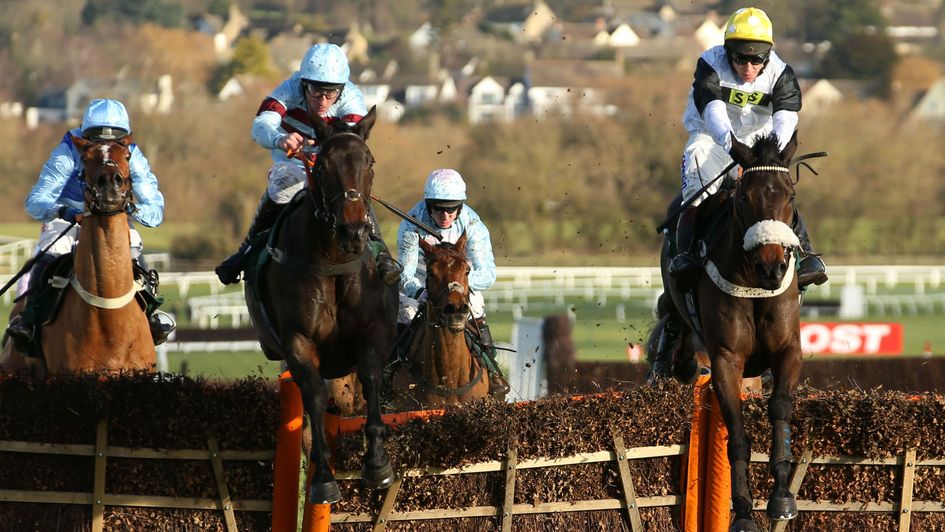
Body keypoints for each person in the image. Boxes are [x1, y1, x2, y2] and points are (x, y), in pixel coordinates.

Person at [215, 42, 401, 286]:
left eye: (331, 93)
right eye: (315, 90)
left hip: (331, 167)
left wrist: (325, 146)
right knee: (283, 182)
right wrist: (280, 138)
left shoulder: (351, 96)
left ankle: (382, 255)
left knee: (352, 188)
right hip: (293, 163)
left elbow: (352, 141)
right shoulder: (288, 90)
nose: (323, 100)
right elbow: (260, 125)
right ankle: (247, 249)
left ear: (341, 89)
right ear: (304, 83)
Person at [670, 7, 827, 289]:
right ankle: (686, 255)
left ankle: (805, 254)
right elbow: (712, 110)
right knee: (696, 182)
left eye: (756, 59)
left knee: (778, 190)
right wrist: (732, 145)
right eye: (740, 58)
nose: (748, 67)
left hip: (759, 147)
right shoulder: (710, 63)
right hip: (711, 140)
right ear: (728, 51)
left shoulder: (781, 73)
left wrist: (774, 153)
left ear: (767, 55)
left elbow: (787, 117)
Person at [5, 98, 172, 349]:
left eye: (114, 143)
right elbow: (36, 201)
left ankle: (150, 316)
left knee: (134, 247)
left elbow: (155, 211)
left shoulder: (132, 154)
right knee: (53, 250)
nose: (106, 149)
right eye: (97, 142)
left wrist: (131, 208)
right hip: (69, 219)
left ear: (124, 140)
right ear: (85, 138)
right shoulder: (68, 149)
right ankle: (29, 321)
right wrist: (64, 211)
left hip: (113, 218)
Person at [396, 168, 509, 397]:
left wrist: (457, 284)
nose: (445, 216)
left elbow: (487, 273)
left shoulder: (473, 224)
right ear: (428, 205)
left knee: (476, 308)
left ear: (460, 206)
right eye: (439, 209)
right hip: (425, 282)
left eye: (451, 209)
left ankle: (492, 371)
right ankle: (390, 371)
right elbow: (405, 273)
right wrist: (419, 292)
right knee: (403, 313)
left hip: (462, 281)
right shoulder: (411, 223)